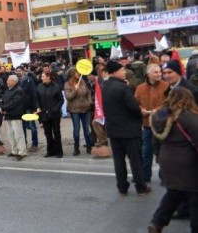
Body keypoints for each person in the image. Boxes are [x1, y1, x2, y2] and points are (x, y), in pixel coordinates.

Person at [148, 87, 198, 233]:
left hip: (166, 159)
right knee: (195, 196)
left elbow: (155, 140)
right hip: (187, 161)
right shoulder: (189, 117)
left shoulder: (160, 116)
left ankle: (157, 223)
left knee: (175, 192)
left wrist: (158, 155)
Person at [102, 60, 151, 196]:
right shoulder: (123, 88)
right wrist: (140, 114)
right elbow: (133, 107)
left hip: (114, 130)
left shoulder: (105, 86)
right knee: (136, 160)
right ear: (115, 72)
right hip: (129, 130)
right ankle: (141, 186)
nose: (125, 72)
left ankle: (122, 186)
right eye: (122, 70)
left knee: (119, 161)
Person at [134, 64, 169, 183]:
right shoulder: (140, 88)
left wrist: (158, 110)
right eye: (155, 72)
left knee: (163, 152)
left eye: (160, 71)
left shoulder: (166, 86)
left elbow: (170, 104)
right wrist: (141, 110)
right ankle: (145, 175)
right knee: (146, 152)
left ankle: (164, 176)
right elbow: (135, 103)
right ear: (148, 74)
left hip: (162, 125)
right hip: (147, 125)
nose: (159, 74)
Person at [64, 67, 93, 155]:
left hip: (85, 109)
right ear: (72, 74)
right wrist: (75, 90)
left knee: (87, 130)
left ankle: (89, 147)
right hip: (74, 110)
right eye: (77, 73)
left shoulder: (82, 81)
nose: (79, 74)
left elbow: (88, 92)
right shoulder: (67, 84)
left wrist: (89, 102)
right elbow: (68, 97)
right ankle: (76, 148)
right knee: (76, 130)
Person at [36, 71, 64, 158]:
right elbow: (36, 99)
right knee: (47, 133)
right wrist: (37, 107)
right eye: (41, 76)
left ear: (49, 77)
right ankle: (50, 150)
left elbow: (61, 100)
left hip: (54, 114)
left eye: (43, 76)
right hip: (44, 113)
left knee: (56, 132)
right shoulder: (39, 87)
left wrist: (55, 109)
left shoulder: (56, 86)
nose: (41, 78)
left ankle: (59, 151)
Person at [0, 75, 27, 160]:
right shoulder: (8, 90)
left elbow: (14, 103)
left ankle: (22, 151)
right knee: (10, 134)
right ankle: (14, 150)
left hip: (16, 115)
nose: (7, 82)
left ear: (14, 82)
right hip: (8, 115)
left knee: (18, 134)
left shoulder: (19, 90)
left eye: (9, 80)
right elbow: (3, 100)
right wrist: (1, 107)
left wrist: (4, 108)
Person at [16, 66, 39, 152]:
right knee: (22, 127)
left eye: (19, 71)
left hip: (29, 106)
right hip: (21, 107)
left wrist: (35, 106)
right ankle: (24, 143)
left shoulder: (29, 80)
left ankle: (35, 144)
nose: (18, 72)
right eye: (16, 71)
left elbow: (34, 92)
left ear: (23, 71)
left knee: (32, 126)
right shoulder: (16, 81)